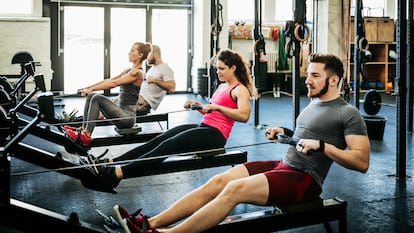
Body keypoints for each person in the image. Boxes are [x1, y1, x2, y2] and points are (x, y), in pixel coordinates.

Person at [110, 53, 371, 233]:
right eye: (308, 74)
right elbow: (308, 138)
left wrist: (324, 147)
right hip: (284, 165)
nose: (307, 80)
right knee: (218, 182)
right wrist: (285, 131)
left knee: (234, 191)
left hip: (306, 180)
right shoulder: (315, 103)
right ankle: (149, 223)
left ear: (333, 79)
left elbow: (361, 162)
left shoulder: (348, 113)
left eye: (314, 75)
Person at [91, 48, 257, 190]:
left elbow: (244, 116)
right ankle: (111, 162)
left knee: (168, 146)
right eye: (217, 68)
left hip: (216, 135)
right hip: (205, 126)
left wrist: (217, 107)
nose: (218, 72)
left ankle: (117, 174)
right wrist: (199, 106)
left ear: (233, 68)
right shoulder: (222, 86)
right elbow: (213, 112)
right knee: (159, 139)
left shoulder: (239, 89)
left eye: (222, 68)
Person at [64, 42, 151, 147]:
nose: (129, 53)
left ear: (140, 55)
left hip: (127, 118)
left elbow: (113, 84)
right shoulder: (128, 70)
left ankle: (86, 135)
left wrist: (90, 89)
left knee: (96, 97)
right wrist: (87, 88)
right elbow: (109, 80)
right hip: (120, 113)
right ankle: (83, 130)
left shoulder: (137, 73)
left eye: (132, 51)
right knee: (92, 96)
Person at [136, 44, 176, 115]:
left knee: (114, 105)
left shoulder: (166, 68)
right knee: (112, 103)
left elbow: (172, 88)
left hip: (144, 103)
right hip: (138, 98)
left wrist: (155, 80)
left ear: (154, 53)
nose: (146, 59)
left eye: (147, 55)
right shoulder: (153, 69)